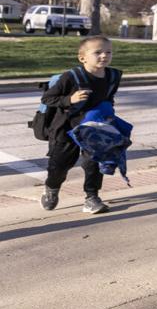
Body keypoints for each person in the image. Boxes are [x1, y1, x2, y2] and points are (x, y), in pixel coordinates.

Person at [40, 35, 122, 214]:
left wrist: (108, 113)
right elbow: (47, 98)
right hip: (66, 128)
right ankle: (51, 188)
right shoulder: (71, 77)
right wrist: (70, 99)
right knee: (60, 165)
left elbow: (108, 97)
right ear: (82, 57)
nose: (104, 56)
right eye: (98, 52)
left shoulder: (113, 76)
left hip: (93, 128)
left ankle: (92, 197)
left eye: (108, 52)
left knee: (94, 162)